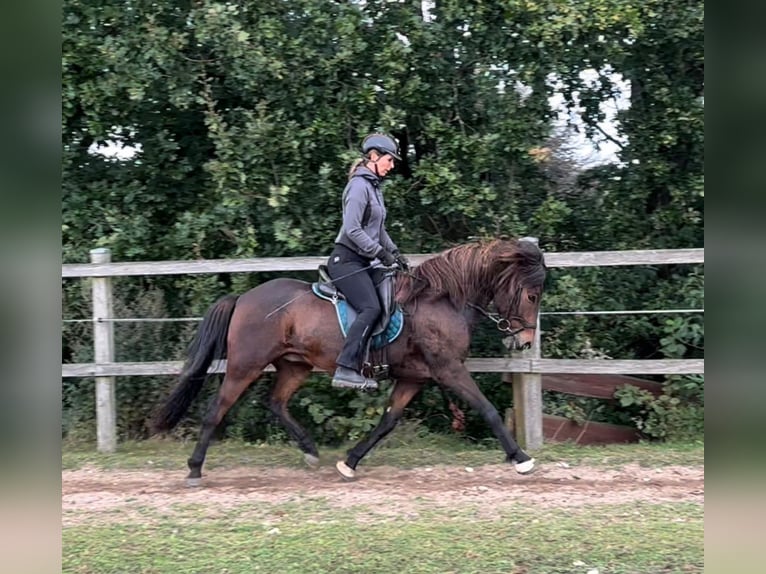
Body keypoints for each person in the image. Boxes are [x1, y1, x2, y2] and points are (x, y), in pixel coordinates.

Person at [327, 133, 410, 390]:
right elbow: (352, 229)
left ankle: (378, 360)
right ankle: (346, 367)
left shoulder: (374, 187)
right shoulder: (358, 186)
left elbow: (378, 229)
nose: (392, 165)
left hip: (364, 261)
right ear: (373, 157)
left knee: (393, 292)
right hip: (347, 261)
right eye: (389, 160)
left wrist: (394, 253)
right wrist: (379, 253)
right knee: (371, 308)